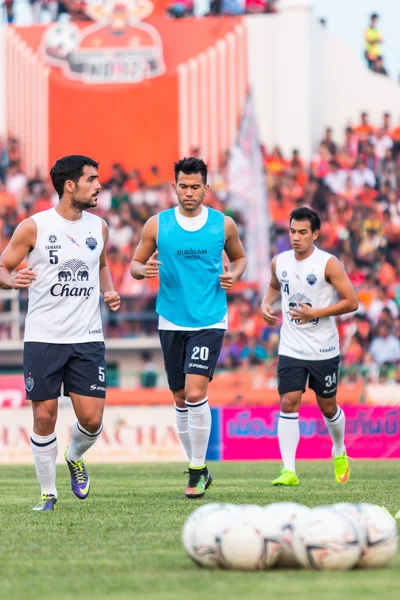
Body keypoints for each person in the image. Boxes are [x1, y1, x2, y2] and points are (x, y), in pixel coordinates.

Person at [0, 155, 121, 511]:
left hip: (87, 336)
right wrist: (12, 280)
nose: (99, 185)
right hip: (43, 336)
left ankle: (74, 455)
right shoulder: (33, 227)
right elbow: (3, 267)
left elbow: (101, 266)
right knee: (44, 416)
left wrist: (108, 290)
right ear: (70, 186)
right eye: (92, 179)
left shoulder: (99, 227)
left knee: (92, 420)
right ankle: (48, 494)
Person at [130, 157, 246, 498]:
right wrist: (142, 270)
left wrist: (234, 274)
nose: (189, 192)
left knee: (196, 393)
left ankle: (195, 471)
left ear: (206, 188)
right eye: (184, 186)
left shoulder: (223, 225)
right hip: (170, 319)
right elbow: (136, 263)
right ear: (174, 187)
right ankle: (199, 466)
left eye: (196, 187)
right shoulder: (157, 225)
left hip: (210, 318)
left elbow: (239, 258)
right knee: (180, 398)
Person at [261, 207, 358, 486]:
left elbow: (352, 301)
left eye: (303, 232)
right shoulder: (279, 262)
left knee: (328, 407)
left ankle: (338, 449)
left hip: (324, 348)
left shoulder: (328, 263)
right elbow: (272, 286)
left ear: (315, 234)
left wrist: (313, 313)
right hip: (291, 347)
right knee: (289, 402)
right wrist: (266, 304)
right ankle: (289, 470)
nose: (296, 237)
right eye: (292, 231)